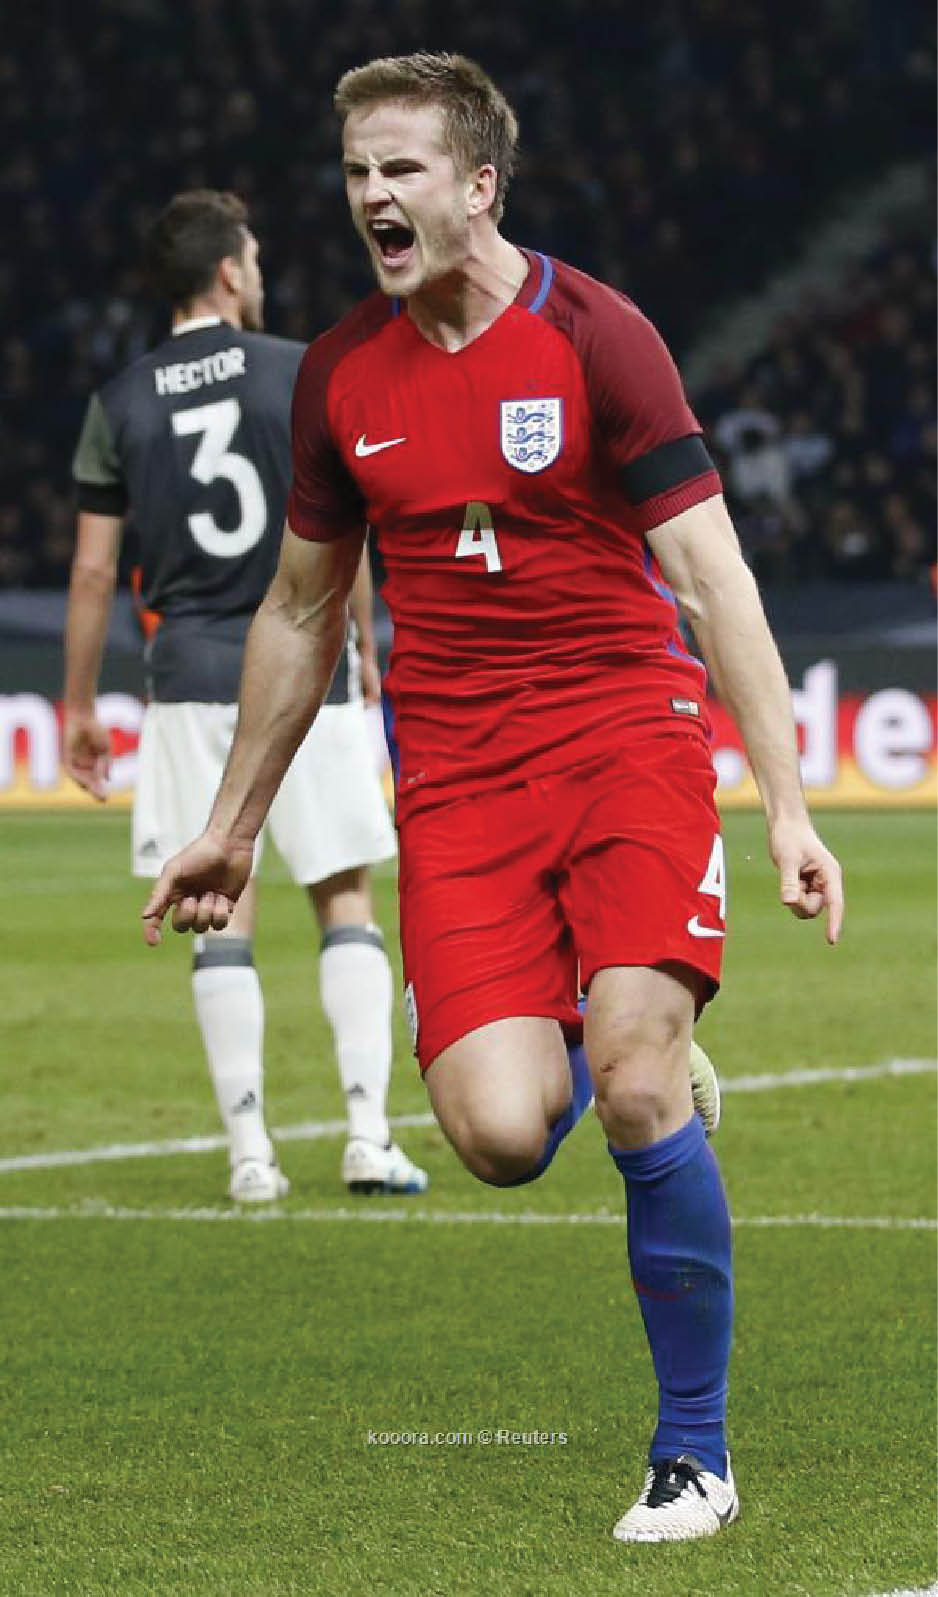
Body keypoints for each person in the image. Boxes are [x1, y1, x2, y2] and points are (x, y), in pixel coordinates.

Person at [139, 59, 844, 1542]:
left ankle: (693, 1454)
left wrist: (785, 806)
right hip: (455, 781)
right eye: (355, 172)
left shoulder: (598, 337)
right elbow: (299, 610)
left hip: (624, 736)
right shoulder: (339, 376)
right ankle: (608, 1034)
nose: (371, 197)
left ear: (478, 185)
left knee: (637, 1083)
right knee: (500, 1135)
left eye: (400, 168)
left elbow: (712, 580)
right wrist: (232, 825)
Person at [64, 188, 427, 1203]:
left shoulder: (119, 402)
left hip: (188, 677)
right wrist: (362, 642)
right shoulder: (302, 370)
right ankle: (367, 1137)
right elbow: (343, 524)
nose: (259, 275)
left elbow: (93, 572)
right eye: (254, 261)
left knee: (218, 910)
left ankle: (251, 1157)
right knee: (345, 897)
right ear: (229, 271)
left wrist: (81, 702)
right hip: (302, 671)